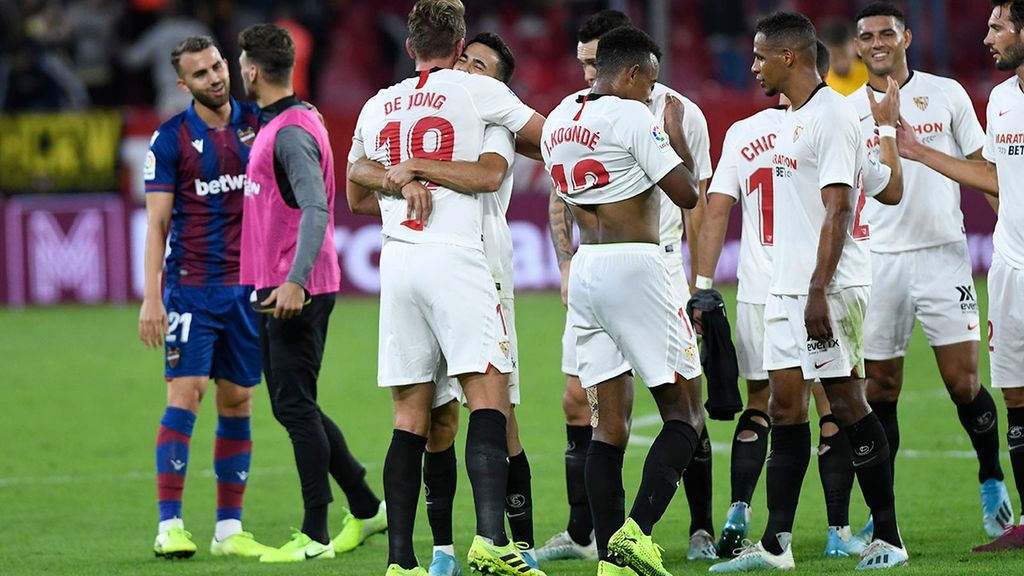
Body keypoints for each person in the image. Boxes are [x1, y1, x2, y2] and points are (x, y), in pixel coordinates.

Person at [346, 1, 546, 574]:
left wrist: (399, 168)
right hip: (458, 256)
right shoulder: (474, 92)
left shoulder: (379, 101)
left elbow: (356, 182)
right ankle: (489, 540)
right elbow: (545, 141)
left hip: (397, 262)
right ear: (460, 50)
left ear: (409, 47)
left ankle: (402, 562)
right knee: (488, 397)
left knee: (409, 416)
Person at [709, 11, 907, 572]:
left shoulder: (833, 117)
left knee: (847, 404)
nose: (752, 65)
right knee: (786, 407)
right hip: (784, 289)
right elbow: (888, 188)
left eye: (760, 55)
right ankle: (776, 546)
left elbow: (841, 207)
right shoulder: (794, 120)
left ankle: (889, 539)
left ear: (789, 57)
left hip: (825, 289)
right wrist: (886, 133)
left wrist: (819, 289)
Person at [539, 9, 716, 563]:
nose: (650, 90)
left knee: (605, 425)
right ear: (634, 74)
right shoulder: (636, 117)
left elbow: (561, 200)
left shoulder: (558, 120)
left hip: (586, 269)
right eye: (649, 79)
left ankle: (612, 561)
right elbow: (687, 195)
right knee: (686, 410)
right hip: (638, 265)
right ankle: (634, 535)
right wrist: (672, 147)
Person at [849, 0, 1013, 541]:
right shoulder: (846, 111)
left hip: (944, 254)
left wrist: (1010, 237)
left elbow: (989, 173)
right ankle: (883, 511)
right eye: (867, 35)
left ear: (907, 38)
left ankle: (991, 479)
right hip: (878, 262)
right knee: (882, 387)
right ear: (856, 47)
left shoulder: (947, 94)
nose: (877, 42)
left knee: (964, 382)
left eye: (886, 34)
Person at [237, 23, 386, 563]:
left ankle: (315, 532)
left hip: (295, 286)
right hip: (276, 283)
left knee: (295, 407)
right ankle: (368, 506)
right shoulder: (287, 123)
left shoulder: (293, 132)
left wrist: (295, 279)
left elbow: (319, 208)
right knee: (291, 403)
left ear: (251, 69)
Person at [893, 0, 1024, 552]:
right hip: (1012, 268)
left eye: (998, 27)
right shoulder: (1000, 100)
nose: (988, 36)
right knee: (1016, 398)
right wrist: (920, 151)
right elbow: (993, 175)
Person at [141, 34, 275, 560]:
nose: (215, 78)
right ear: (184, 85)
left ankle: (228, 529)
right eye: (200, 74)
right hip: (192, 288)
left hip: (248, 288)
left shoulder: (259, 123)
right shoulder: (170, 139)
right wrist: (152, 298)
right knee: (187, 391)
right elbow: (156, 226)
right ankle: (169, 525)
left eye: (218, 66)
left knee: (239, 399)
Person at [821, 18, 868, 96]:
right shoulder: (819, 87)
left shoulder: (872, 75)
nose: (841, 63)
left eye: (845, 55)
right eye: (834, 58)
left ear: (855, 46)